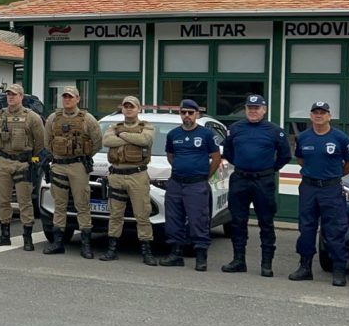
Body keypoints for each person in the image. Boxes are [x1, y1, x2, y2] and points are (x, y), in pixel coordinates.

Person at [221, 94, 292, 277]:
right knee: (237, 221)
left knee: (266, 222)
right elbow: (228, 152)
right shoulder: (235, 128)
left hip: (263, 180)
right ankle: (238, 260)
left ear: (264, 110)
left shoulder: (275, 130)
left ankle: (266, 264)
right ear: (245, 110)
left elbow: (285, 156)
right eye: (250, 108)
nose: (253, 111)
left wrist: (269, 169)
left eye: (257, 108)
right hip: (240, 179)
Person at [288, 101, 349, 286]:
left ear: (329, 116)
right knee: (306, 228)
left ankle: (339, 270)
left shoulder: (340, 138)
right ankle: (305, 267)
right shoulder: (302, 137)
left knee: (334, 229)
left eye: (322, 112)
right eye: (315, 112)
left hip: (331, 189)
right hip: (309, 187)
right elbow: (301, 159)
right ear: (311, 116)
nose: (319, 115)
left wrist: (332, 176)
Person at [159, 99, 221, 271]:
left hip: (197, 185)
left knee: (198, 220)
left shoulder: (206, 134)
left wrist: (203, 176)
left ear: (197, 114)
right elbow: (171, 156)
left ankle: (201, 256)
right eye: (183, 112)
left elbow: (216, 158)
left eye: (190, 112)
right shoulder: (173, 134)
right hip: (176, 183)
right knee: (173, 219)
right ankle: (175, 254)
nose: (187, 116)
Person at [42, 86, 102, 258]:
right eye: (65, 97)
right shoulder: (53, 118)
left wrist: (84, 156)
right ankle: (58, 242)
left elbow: (97, 142)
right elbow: (47, 142)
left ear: (78, 99)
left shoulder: (87, 119)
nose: (67, 99)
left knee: (82, 204)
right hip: (59, 164)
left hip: (78, 166)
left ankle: (86, 244)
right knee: (59, 204)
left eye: (71, 97)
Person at [100, 95, 157, 265]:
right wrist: (130, 137)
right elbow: (106, 140)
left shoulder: (146, 126)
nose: (129, 109)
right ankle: (112, 249)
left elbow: (145, 140)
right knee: (115, 214)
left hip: (137, 175)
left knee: (142, 214)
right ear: (122, 108)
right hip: (116, 175)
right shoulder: (113, 126)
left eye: (132, 106)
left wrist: (123, 134)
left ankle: (146, 251)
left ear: (138, 108)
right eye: (126, 106)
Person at [0, 83, 45, 250]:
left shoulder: (32, 117)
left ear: (21, 97)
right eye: (8, 94)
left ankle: (27, 237)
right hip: (3, 160)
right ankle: (5, 234)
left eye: (14, 94)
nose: (10, 97)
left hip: (23, 163)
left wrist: (29, 157)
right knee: (3, 199)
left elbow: (40, 141)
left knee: (24, 201)